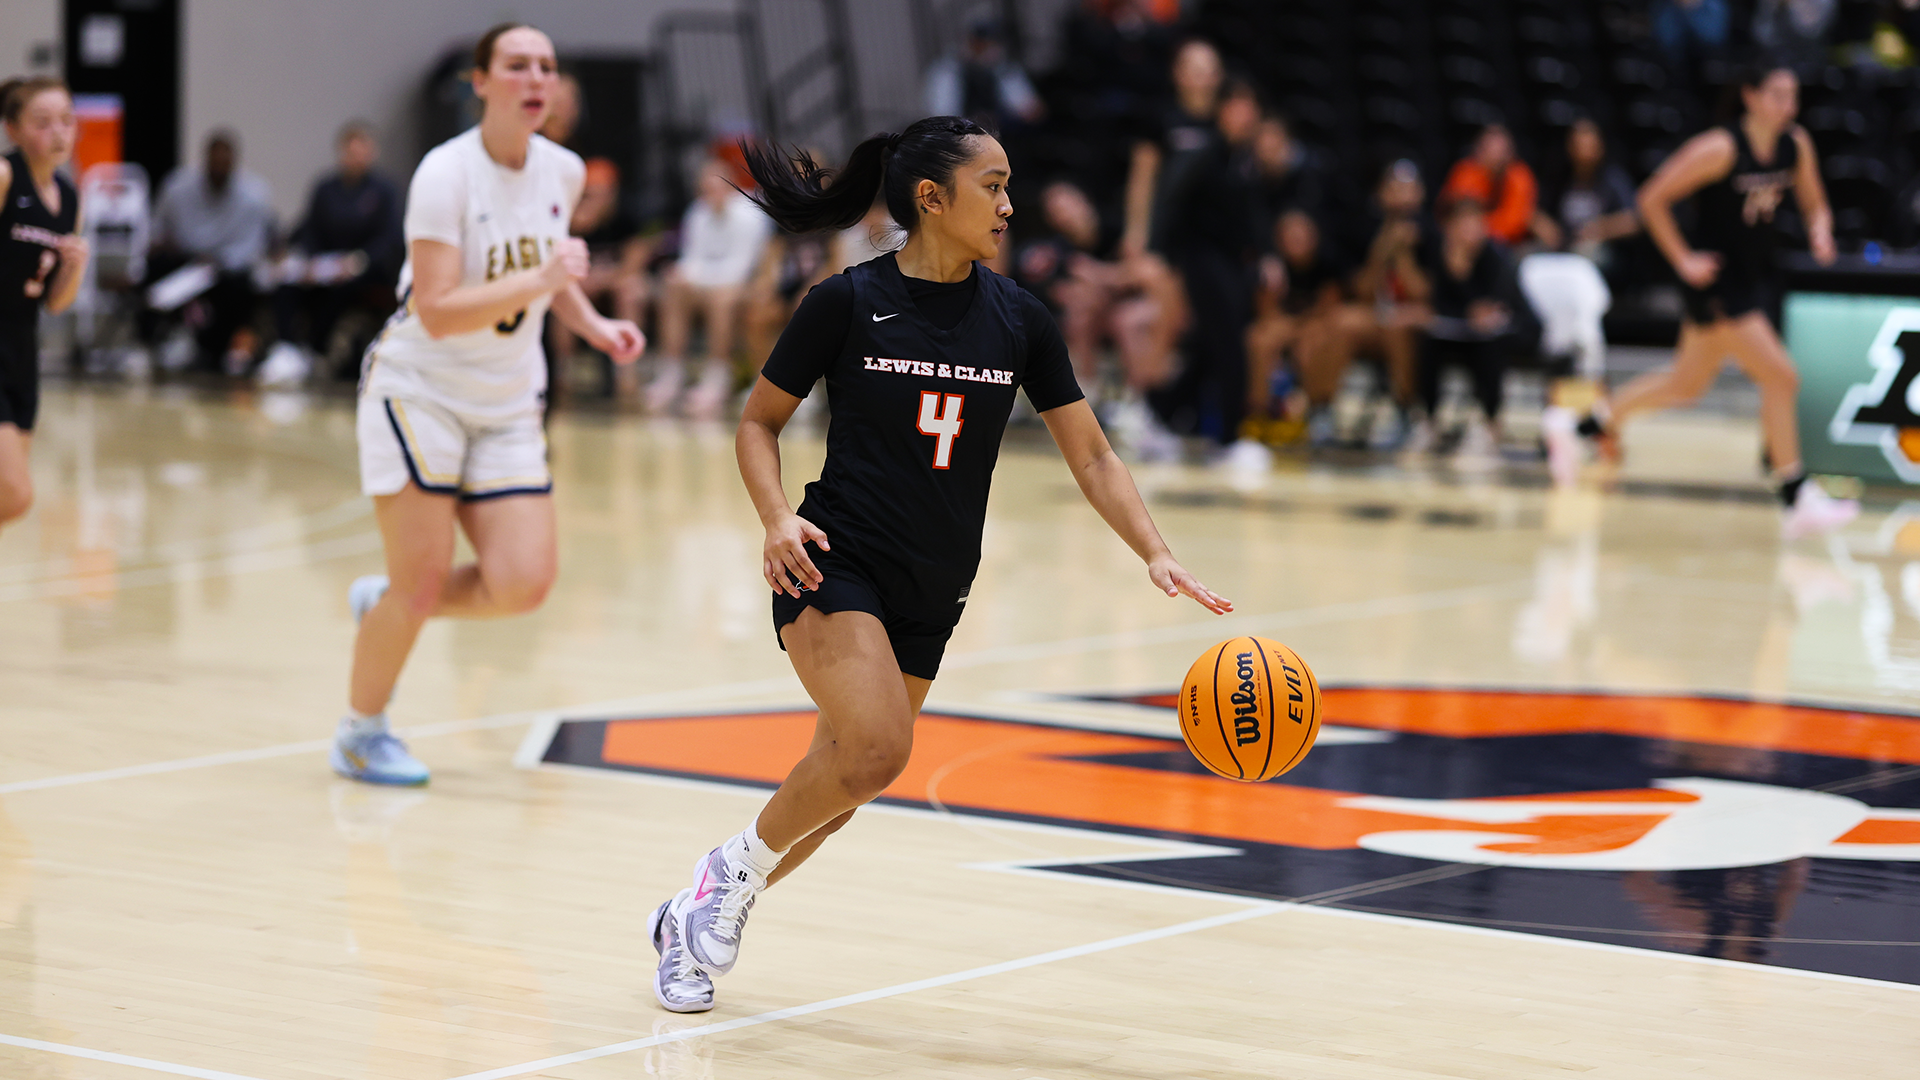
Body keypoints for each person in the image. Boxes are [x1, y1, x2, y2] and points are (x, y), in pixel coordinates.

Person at [644, 116, 1231, 1014]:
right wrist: (774, 519)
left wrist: (1155, 551)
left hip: (937, 585)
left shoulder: (1020, 318)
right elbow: (757, 423)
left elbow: (1093, 455)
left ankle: (692, 913)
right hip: (832, 563)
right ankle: (727, 874)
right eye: (992, 186)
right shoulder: (845, 301)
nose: (1008, 205)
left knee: (843, 786)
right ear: (931, 198)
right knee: (877, 749)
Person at [336, 23, 646, 786]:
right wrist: (545, 283)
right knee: (421, 579)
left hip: (507, 402)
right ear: (480, 81)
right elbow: (439, 310)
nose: (536, 78)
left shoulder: (563, 171)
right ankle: (360, 734)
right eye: (517, 65)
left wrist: (594, 325)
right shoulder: (445, 175)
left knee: (523, 584)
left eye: (546, 66)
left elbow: (552, 274)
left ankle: (388, 603)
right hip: (423, 392)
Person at [1545, 61, 1859, 536]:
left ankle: (1577, 426)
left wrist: (1821, 232)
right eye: (1778, 95)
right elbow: (1651, 199)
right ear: (1750, 96)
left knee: (1684, 386)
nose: (1789, 106)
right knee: (1782, 377)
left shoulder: (1795, 145)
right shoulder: (1720, 147)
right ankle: (1796, 496)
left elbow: (1815, 203)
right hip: (1715, 282)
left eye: (1793, 96)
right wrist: (1683, 260)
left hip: (1749, 278)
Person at [0, 77, 86, 532]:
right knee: (17, 493)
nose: (59, 132)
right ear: (12, 129)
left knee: (7, 502)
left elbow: (55, 303)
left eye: (67, 121)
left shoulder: (70, 197)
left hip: (22, 351)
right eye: (43, 122)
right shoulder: (4, 176)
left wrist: (75, 268)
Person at [270, 121, 404, 380]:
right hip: (326, 264)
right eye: (351, 151)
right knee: (287, 280)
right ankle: (287, 347)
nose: (356, 157)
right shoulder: (326, 188)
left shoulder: (384, 191)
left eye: (362, 151)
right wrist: (308, 260)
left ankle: (315, 349)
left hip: (366, 268)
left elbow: (390, 239)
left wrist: (359, 260)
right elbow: (309, 229)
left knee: (340, 288)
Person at [646, 157, 774, 418]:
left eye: (717, 188)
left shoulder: (750, 214)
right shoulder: (698, 211)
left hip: (747, 285)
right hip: (711, 282)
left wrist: (697, 278)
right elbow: (691, 258)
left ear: (731, 186)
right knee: (673, 288)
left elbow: (741, 268)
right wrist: (681, 275)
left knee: (721, 299)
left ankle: (717, 376)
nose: (711, 194)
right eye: (705, 189)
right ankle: (671, 372)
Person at [148, 130, 276, 374]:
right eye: (214, 162)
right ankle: (162, 340)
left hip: (228, 269)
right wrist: (175, 248)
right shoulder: (177, 187)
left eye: (224, 163)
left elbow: (252, 247)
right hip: (186, 262)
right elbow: (158, 230)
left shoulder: (255, 194)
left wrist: (217, 261)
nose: (219, 168)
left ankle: (229, 347)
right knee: (156, 271)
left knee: (242, 285)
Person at [1412, 198, 1522, 464]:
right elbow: (1438, 304)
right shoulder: (1439, 253)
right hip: (1456, 330)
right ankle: (1428, 420)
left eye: (1474, 223)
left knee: (1488, 347)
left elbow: (1494, 305)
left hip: (1504, 332)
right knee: (1427, 342)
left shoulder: (1495, 254)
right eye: (1462, 224)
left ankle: (1489, 424)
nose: (1469, 230)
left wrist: (1463, 280)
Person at [1333, 159, 1431, 450]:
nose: (1401, 196)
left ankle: (1405, 412)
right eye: (1393, 188)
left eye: (1407, 188)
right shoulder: (1362, 229)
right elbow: (1361, 291)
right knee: (1336, 323)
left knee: (1397, 328)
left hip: (1416, 322)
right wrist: (1381, 251)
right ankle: (1321, 409)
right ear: (1380, 193)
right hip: (1374, 317)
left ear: (1420, 193)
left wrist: (1402, 256)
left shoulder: (1432, 233)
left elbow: (1423, 295)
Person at [1245, 209, 1346, 444]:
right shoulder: (1271, 267)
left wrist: (1300, 327)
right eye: (1290, 237)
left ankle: (1313, 414)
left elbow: (1328, 308)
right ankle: (1257, 413)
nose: (1296, 243)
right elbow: (1266, 312)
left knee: (1313, 344)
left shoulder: (1327, 263)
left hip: (1314, 324)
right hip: (1284, 322)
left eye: (1301, 237)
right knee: (1259, 340)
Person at [1537, 118, 1640, 275]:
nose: (1584, 152)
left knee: (1585, 256)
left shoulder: (1613, 179)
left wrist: (1601, 229)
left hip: (1600, 248)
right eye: (1579, 145)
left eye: (1589, 146)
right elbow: (1534, 211)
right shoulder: (1559, 177)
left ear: (1600, 147)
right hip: (1563, 244)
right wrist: (1545, 226)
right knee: (1528, 256)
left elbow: (1634, 220)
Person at [1439, 123, 1543, 248]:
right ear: (1478, 151)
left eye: (1503, 152)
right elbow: (1454, 217)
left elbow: (1515, 222)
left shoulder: (1519, 176)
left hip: (1509, 246)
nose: (1498, 158)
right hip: (1462, 243)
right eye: (1491, 150)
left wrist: (1480, 228)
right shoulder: (1465, 173)